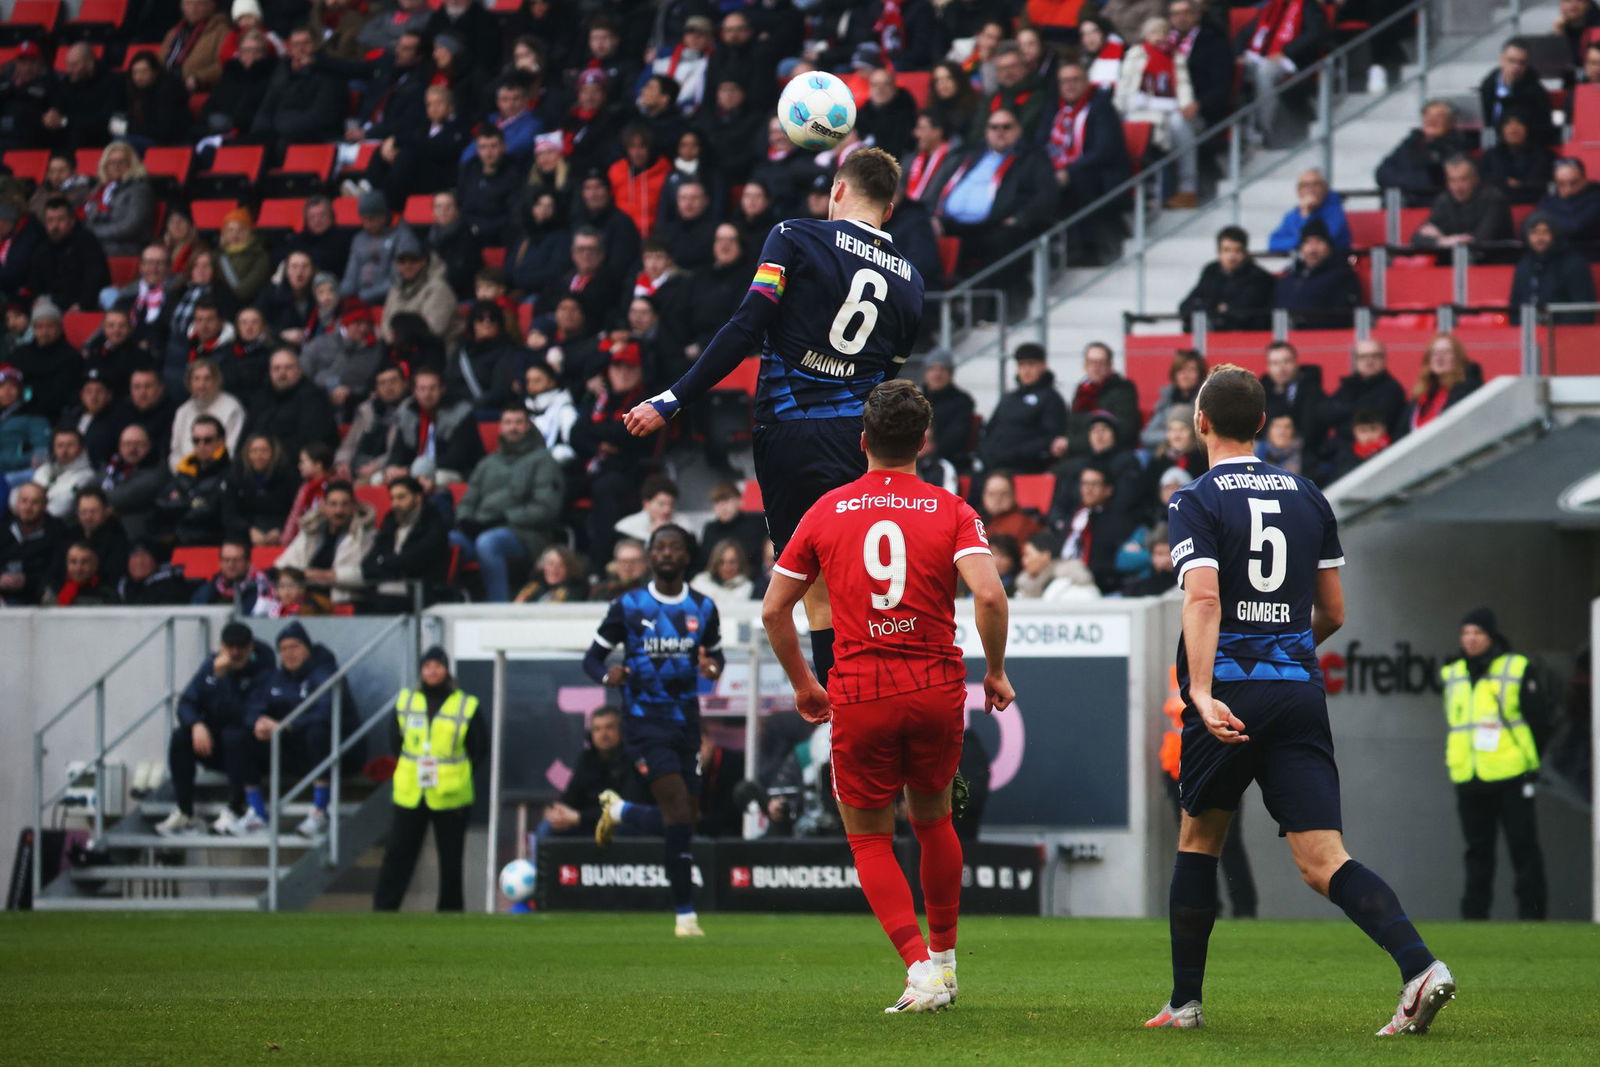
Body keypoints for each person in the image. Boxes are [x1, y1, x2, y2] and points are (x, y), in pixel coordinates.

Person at [1148, 364, 1454, 1035]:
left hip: (1228, 688)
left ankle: (1185, 1003)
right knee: (1324, 859)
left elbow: (1202, 596)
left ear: (1201, 422)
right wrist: (1281, 645)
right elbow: (1334, 611)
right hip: (1297, 687)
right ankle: (1420, 965)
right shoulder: (1307, 493)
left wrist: (1199, 689)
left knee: (1200, 839)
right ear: (1261, 423)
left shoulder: (1193, 497)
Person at [624, 149, 922, 696]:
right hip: (857, 440)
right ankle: (876, 699)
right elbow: (887, 379)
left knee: (811, 587)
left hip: (787, 433)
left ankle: (839, 711)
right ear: (891, 208)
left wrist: (672, 398)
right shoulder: (911, 280)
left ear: (837, 191)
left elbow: (745, 327)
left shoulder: (795, 235)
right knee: (861, 579)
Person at [761, 379, 1013, 1013]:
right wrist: (997, 672)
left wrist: (803, 686)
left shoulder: (825, 509)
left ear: (863, 439)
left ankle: (919, 971)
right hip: (934, 685)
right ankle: (947, 962)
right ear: (923, 442)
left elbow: (774, 611)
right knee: (932, 822)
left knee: (870, 839)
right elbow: (989, 595)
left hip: (862, 689)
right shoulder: (952, 509)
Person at [582, 524, 724, 937]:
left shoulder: (704, 606)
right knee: (678, 811)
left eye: (673, 547)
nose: (665, 553)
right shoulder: (627, 605)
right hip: (644, 723)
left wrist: (711, 669)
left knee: (687, 816)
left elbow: (713, 658)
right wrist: (607, 676)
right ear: (649, 555)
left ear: (685, 556)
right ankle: (685, 916)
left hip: (686, 722)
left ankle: (621, 810)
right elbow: (592, 659)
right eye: (658, 547)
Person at [1441, 607, 1548, 921]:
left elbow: (1539, 720)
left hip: (1512, 773)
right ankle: (1474, 918)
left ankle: (1533, 916)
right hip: (1469, 774)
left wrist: (1530, 760)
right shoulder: (1454, 672)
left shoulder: (1515, 667)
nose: (1470, 639)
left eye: (1477, 633)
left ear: (1491, 636)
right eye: (1465, 633)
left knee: (1523, 847)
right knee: (1477, 852)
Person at [372, 646, 483, 911]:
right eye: (427, 666)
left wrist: (455, 774)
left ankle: (450, 911)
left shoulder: (465, 704)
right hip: (411, 791)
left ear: (446, 669)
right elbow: (395, 741)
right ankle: (385, 909)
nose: (433, 671)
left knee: (451, 858)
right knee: (398, 853)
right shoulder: (406, 700)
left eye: (438, 665)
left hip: (451, 793)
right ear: (421, 670)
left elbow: (479, 748)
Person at [230, 621, 354, 837]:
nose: (289, 654)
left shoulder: (325, 673)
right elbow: (252, 707)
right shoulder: (275, 677)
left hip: (337, 752)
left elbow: (326, 713)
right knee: (238, 737)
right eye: (284, 649)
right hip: (291, 751)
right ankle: (257, 812)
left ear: (307, 647)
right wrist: (258, 722)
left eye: (295, 647)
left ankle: (320, 810)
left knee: (317, 731)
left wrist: (286, 725)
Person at [155, 621, 275, 835]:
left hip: (251, 749)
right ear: (221, 646)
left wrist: (223, 679)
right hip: (214, 746)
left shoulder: (264, 671)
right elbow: (186, 703)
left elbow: (245, 715)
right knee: (181, 737)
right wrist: (196, 724)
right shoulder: (212, 665)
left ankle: (236, 807)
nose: (235, 653)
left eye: (241, 648)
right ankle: (185, 811)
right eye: (230, 647)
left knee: (234, 735)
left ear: (251, 647)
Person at [449, 405, 564, 602]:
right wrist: (466, 521)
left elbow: (546, 508)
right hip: (481, 530)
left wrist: (505, 518)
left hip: (526, 535)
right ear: (500, 427)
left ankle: (498, 607)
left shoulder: (544, 461)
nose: (513, 428)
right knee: (450, 539)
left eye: (519, 422)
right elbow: (468, 501)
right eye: (508, 422)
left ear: (528, 426)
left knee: (489, 542)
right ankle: (442, 601)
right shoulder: (487, 463)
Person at [1115, 17, 1200, 209]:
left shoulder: (1176, 56)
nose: (1158, 37)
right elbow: (1125, 84)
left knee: (1181, 125)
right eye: (1154, 32)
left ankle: (1188, 188)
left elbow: (1184, 85)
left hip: (1170, 108)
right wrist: (1119, 107)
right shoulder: (1136, 54)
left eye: (1162, 32)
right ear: (1146, 35)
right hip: (1139, 108)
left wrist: (1186, 103)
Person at [541, 707, 651, 839]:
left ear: (622, 731)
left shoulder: (635, 758)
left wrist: (579, 817)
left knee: (623, 828)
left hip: (621, 824)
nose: (603, 734)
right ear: (590, 734)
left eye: (609, 728)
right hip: (588, 824)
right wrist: (557, 812)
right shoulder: (587, 759)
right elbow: (571, 798)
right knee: (548, 826)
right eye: (597, 729)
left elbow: (629, 807)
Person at [273, 479, 374, 605]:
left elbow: (368, 574)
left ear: (354, 506)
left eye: (344, 504)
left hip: (342, 601)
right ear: (324, 506)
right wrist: (301, 575)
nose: (339, 511)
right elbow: (283, 564)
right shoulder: (311, 530)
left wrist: (329, 576)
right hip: (302, 599)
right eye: (333, 504)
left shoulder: (365, 535)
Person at [974, 343, 1067, 477]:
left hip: (1027, 468)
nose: (1026, 370)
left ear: (1043, 366)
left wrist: (1015, 453)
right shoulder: (1009, 398)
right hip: (994, 466)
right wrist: (985, 452)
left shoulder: (1051, 399)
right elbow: (990, 429)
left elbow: (1050, 437)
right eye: (1022, 365)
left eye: (1031, 364)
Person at [1375, 101, 1470, 208]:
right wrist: (1411, 181)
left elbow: (1435, 180)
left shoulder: (1455, 147)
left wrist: (1400, 181)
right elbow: (1381, 172)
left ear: (1451, 122)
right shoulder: (1410, 142)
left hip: (1433, 211)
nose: (1431, 120)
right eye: (1427, 115)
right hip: (1399, 209)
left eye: (1439, 116)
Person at [1411, 157, 1513, 252]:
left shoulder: (1494, 199)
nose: (1458, 187)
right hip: (1453, 262)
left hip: (1493, 264)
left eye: (1463, 179)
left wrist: (1449, 240)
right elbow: (1418, 237)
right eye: (1452, 180)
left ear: (1475, 179)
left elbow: (1481, 240)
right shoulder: (1444, 200)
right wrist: (1442, 241)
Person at [1274, 220, 1361, 329]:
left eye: (1319, 241)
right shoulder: (1288, 278)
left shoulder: (1343, 276)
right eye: (1307, 242)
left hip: (1323, 339)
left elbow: (1344, 316)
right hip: (1285, 338)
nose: (1312, 249)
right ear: (1301, 248)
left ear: (1329, 246)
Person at [1509, 215, 1596, 325]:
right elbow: (1515, 307)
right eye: (1534, 232)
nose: (1540, 238)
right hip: (1529, 334)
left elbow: (1583, 310)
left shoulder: (1573, 264)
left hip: (1566, 333)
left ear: (1555, 234)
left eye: (1545, 232)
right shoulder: (1524, 265)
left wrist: (1554, 329)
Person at [1325, 338, 1408, 444]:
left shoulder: (1392, 389)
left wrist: (1343, 413)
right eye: (1363, 357)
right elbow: (1325, 412)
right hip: (1343, 450)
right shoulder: (1349, 385)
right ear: (1355, 361)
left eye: (1375, 356)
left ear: (1384, 359)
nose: (1369, 361)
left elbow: (1372, 423)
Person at [1478, 38, 1555, 148]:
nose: (1516, 67)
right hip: (1492, 145)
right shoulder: (1487, 86)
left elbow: (1543, 127)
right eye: (1511, 61)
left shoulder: (1535, 92)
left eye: (1521, 63)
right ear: (1502, 59)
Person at [1066, 341, 1142, 452]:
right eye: (1091, 362)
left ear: (1110, 365)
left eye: (1101, 362)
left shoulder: (1123, 390)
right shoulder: (1083, 390)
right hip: (1081, 451)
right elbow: (1072, 424)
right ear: (1085, 366)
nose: (1095, 367)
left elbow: (1123, 430)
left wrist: (1072, 443)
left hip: (1113, 453)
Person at [1404, 333, 1481, 435]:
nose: (1439, 358)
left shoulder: (1467, 390)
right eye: (1435, 353)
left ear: (1457, 357)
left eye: (1446, 352)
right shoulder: (1422, 393)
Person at [0, 482, 63, 606]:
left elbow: (56, 573)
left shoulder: (57, 533)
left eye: (35, 502)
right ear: (17, 504)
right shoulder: (3, 529)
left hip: (36, 601)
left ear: (45, 506)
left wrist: (27, 581)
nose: (28, 507)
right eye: (24, 501)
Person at [1481, 110, 1555, 207]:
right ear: (1501, 129)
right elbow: (1484, 182)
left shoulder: (1542, 155)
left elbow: (1538, 184)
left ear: (1527, 128)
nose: (1513, 129)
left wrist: (1517, 184)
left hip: (1535, 207)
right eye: (1508, 124)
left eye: (1519, 123)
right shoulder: (1491, 155)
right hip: (1496, 206)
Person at [1267, 170, 1350, 253]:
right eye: (1305, 185)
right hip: (1303, 263)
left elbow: (1319, 242)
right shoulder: (1293, 215)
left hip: (1334, 263)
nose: (1311, 190)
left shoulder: (1335, 211)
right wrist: (1304, 213)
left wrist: (1305, 214)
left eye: (1315, 184)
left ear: (1325, 188)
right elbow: (1273, 244)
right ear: (1299, 192)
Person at [1141, 350, 1208, 450]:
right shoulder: (1166, 401)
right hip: (1168, 452)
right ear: (1174, 374)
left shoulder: (1207, 400)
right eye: (1180, 370)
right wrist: (1173, 436)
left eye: (1191, 370)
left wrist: (1189, 440)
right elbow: (1147, 435)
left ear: (1200, 374)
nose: (1185, 375)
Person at [1533, 158, 1600, 250]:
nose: (1568, 189)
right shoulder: (1547, 200)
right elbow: (1530, 226)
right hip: (1555, 252)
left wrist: (1548, 226)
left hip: (1589, 252)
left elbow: (1576, 227)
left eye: (1574, 183)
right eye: (1561, 184)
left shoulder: (1596, 197)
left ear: (1584, 180)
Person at [191, 536, 270, 612]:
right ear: (220, 563)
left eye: (236, 560)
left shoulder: (262, 590)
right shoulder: (205, 593)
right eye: (226, 560)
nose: (231, 565)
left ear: (248, 563)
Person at [33, 427, 95, 521]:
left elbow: (60, 509)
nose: (64, 450)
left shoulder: (87, 477)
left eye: (70, 445)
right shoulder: (43, 470)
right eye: (60, 445)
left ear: (81, 448)